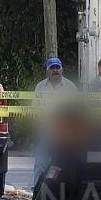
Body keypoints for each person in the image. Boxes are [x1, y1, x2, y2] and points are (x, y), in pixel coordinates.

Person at [31, 58, 79, 188]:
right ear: (47, 71)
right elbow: (34, 109)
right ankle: (36, 191)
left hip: (65, 134)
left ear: (62, 69)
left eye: (57, 67)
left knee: (64, 164)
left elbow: (77, 110)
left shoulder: (70, 87)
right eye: (52, 68)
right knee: (41, 163)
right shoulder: (40, 87)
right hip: (45, 132)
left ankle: (66, 191)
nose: (55, 70)